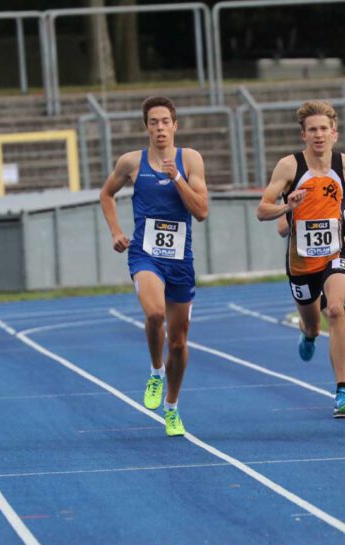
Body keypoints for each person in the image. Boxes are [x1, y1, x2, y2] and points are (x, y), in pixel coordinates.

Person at [100, 96, 209, 436]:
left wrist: (177, 177)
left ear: (175, 125)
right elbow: (106, 194)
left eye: (165, 122)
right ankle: (155, 370)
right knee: (155, 314)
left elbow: (201, 211)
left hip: (180, 260)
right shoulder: (131, 163)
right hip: (144, 253)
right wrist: (117, 231)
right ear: (146, 126)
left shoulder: (189, 159)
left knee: (178, 342)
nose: (160, 128)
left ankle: (172, 407)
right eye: (153, 122)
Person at [258, 100, 345, 418]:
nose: (319, 135)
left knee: (336, 310)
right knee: (312, 323)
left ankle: (342, 390)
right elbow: (262, 210)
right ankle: (308, 334)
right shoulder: (289, 167)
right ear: (303, 135)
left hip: (337, 251)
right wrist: (287, 207)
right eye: (312, 130)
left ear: (334, 133)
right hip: (301, 260)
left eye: (324, 129)